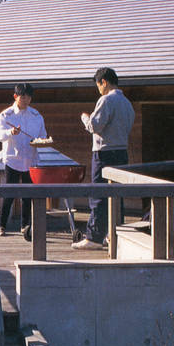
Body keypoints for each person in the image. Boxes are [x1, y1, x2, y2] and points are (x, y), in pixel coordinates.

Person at [73, 67, 135, 250]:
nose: (98, 89)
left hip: (104, 152)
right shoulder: (127, 103)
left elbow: (95, 126)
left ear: (104, 82)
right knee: (118, 195)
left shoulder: (106, 99)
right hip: (121, 152)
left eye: (98, 85)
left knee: (99, 194)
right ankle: (114, 235)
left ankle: (94, 237)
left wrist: (85, 118)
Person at [0, 83, 48, 238]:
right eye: (23, 96)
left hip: (30, 160)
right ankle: (2, 225)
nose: (26, 100)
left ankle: (25, 226)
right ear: (15, 96)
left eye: (29, 97)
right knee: (9, 194)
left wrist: (40, 141)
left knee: (27, 195)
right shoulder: (6, 115)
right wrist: (10, 132)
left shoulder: (36, 115)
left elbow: (43, 135)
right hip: (12, 160)